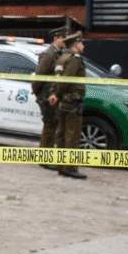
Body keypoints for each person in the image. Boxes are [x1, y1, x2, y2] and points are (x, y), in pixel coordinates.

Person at [48, 32, 86, 180]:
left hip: (63, 102)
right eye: (82, 43)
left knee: (62, 135)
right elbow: (65, 81)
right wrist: (57, 93)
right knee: (72, 135)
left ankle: (61, 166)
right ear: (77, 45)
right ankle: (70, 168)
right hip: (71, 102)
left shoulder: (63, 58)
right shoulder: (74, 60)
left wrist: (55, 94)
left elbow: (56, 79)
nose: (83, 46)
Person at [32, 26, 67, 170]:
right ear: (56, 39)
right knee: (50, 127)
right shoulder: (49, 54)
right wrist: (40, 95)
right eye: (63, 39)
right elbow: (39, 76)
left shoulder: (57, 54)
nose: (65, 42)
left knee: (52, 126)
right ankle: (44, 159)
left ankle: (46, 157)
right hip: (47, 95)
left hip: (53, 95)